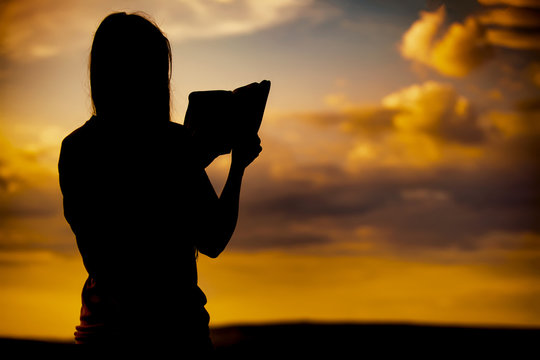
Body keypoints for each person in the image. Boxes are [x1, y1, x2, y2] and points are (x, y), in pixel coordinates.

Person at [58, 12, 261, 352]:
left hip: (118, 334)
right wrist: (205, 166)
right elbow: (210, 240)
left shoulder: (82, 147)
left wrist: (221, 165)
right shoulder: (169, 147)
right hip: (162, 335)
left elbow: (208, 238)